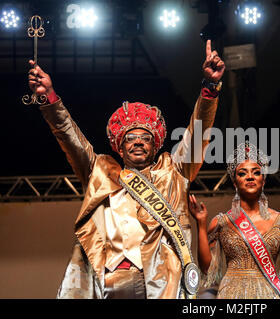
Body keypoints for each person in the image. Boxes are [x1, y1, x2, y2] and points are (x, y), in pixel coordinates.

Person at [27, 40, 225, 299]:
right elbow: (68, 136)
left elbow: (198, 134)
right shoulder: (101, 172)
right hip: (111, 279)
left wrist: (210, 88)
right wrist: (48, 98)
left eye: (146, 138)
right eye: (131, 138)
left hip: (162, 280)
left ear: (155, 146)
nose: (139, 142)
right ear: (119, 148)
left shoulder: (174, 171)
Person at [188, 142, 280, 299]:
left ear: (263, 181)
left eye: (256, 172)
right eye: (242, 173)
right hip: (231, 295)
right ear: (235, 182)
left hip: (268, 293)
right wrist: (201, 224)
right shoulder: (221, 222)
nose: (250, 177)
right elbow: (206, 269)